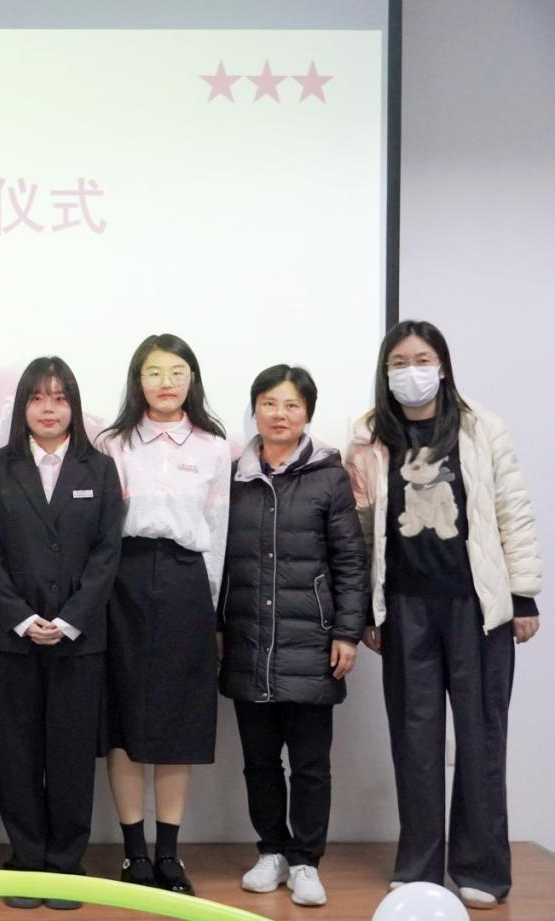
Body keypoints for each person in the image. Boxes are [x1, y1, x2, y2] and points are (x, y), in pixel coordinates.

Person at [346, 320, 541, 911]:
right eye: (399, 362)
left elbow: (511, 509)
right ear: (385, 372)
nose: (411, 371)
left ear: (444, 365)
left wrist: (523, 595)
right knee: (415, 740)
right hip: (405, 609)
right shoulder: (368, 435)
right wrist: (367, 609)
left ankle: (481, 867)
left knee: (482, 736)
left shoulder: (482, 427)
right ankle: (420, 865)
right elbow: (361, 528)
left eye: (422, 359)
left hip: (478, 609)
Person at [0, 357, 124, 910]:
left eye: (59, 398)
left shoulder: (99, 469)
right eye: (38, 397)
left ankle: (65, 865)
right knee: (16, 753)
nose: (49, 408)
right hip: (13, 637)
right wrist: (20, 616)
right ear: (23, 406)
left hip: (79, 640)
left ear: (73, 407)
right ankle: (25, 860)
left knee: (69, 755)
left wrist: (68, 620)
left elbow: (107, 553)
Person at [219, 365, 367, 908]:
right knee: (259, 762)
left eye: (291, 405)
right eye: (269, 403)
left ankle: (306, 861)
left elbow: (350, 560)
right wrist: (218, 625)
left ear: (307, 413)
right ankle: (272, 852)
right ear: (254, 409)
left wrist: (347, 631)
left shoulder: (329, 476)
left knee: (309, 765)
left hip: (313, 642)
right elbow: (217, 560)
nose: (279, 415)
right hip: (248, 638)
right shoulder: (232, 476)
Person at [96, 333, 230, 896]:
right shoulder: (112, 443)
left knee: (178, 719)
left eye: (177, 371)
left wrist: (213, 609)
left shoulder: (214, 446)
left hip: (185, 582)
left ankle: (169, 856)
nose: (166, 382)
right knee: (124, 718)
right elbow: (99, 529)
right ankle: (134, 855)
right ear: (138, 380)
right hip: (121, 580)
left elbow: (217, 532)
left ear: (191, 379)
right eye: (154, 372)